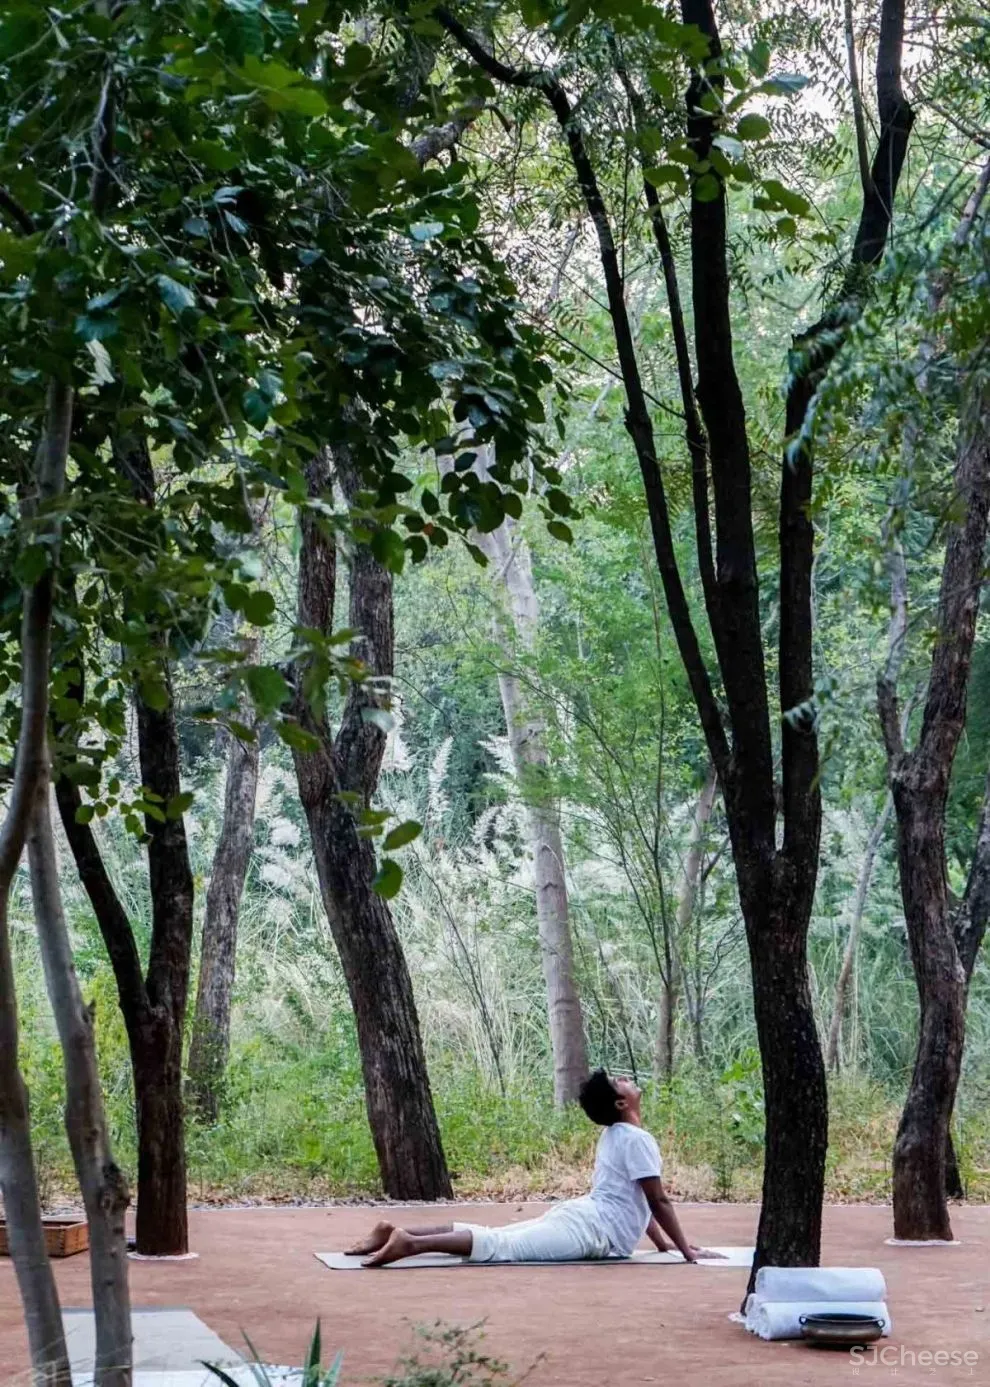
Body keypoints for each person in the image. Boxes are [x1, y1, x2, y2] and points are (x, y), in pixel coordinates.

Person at [349, 1069, 722, 1267]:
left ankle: (396, 1231)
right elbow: (657, 1200)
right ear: (622, 1103)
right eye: (620, 1082)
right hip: (590, 1231)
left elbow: (638, 1201)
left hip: (584, 1218)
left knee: (496, 1236)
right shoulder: (637, 1139)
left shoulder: (615, 1135)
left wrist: (664, 1245)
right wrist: (686, 1251)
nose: (627, 1080)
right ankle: (410, 1243)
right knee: (500, 1246)